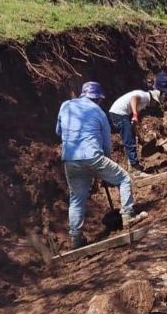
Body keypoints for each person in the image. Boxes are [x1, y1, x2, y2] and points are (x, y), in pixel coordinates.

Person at [56, 82, 147, 249]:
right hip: (92, 155)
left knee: (76, 198)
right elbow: (106, 144)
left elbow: (59, 131)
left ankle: (76, 237)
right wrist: (105, 167)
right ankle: (128, 215)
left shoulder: (65, 106)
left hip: (70, 158)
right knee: (124, 179)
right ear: (97, 99)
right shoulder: (99, 112)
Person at [108, 89, 162, 175]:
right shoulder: (145, 96)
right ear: (153, 99)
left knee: (130, 136)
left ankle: (132, 166)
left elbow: (134, 125)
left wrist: (140, 138)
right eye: (155, 103)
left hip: (120, 113)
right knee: (129, 140)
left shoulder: (143, 103)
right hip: (119, 113)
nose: (154, 105)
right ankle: (135, 169)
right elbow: (134, 98)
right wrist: (135, 114)